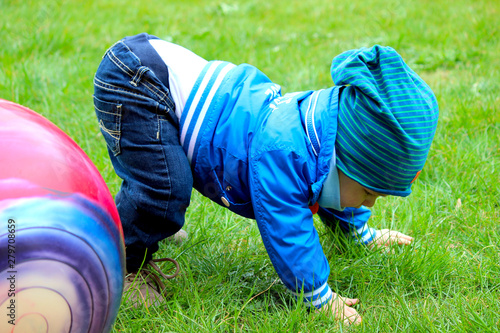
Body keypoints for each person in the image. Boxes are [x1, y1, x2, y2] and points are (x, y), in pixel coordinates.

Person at [92, 33, 438, 324]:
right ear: (340, 161)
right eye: (367, 193)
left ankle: (153, 221)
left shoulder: (325, 142)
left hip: (154, 69)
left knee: (164, 194)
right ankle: (120, 264)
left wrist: (361, 233)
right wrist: (321, 298)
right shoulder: (283, 151)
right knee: (164, 190)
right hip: (138, 82)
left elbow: (331, 187)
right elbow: (288, 229)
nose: (368, 202)